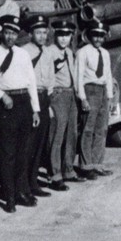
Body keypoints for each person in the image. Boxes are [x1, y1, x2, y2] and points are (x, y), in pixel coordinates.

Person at [0, 15, 40, 213]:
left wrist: (35, 109)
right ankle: (9, 197)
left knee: (23, 152)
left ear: (18, 34)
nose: (10, 36)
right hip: (7, 106)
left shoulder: (23, 54)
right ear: (2, 33)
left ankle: (21, 192)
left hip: (24, 104)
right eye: (7, 32)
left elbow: (31, 82)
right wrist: (1, 95)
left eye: (14, 33)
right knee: (7, 153)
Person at [46, 20, 85, 191]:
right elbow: (46, 75)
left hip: (70, 95)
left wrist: (79, 95)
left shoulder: (70, 52)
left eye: (67, 35)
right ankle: (55, 175)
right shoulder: (50, 52)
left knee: (72, 134)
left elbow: (75, 75)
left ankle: (68, 170)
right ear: (55, 35)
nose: (63, 39)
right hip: (58, 94)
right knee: (57, 135)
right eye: (60, 35)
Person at [75, 18, 114, 180]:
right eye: (95, 35)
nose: (98, 39)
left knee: (101, 129)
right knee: (87, 129)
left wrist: (110, 97)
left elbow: (108, 76)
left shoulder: (105, 53)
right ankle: (86, 166)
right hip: (90, 91)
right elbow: (78, 77)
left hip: (102, 91)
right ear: (90, 35)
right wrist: (83, 98)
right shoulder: (82, 52)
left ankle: (98, 164)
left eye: (101, 36)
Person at [21, 14, 54, 198]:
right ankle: (24, 185)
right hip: (29, 98)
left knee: (40, 143)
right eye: (38, 32)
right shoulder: (24, 51)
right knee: (28, 143)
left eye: (44, 32)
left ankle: (33, 183)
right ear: (31, 33)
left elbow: (50, 79)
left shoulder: (48, 52)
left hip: (43, 97)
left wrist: (48, 104)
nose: (42, 36)